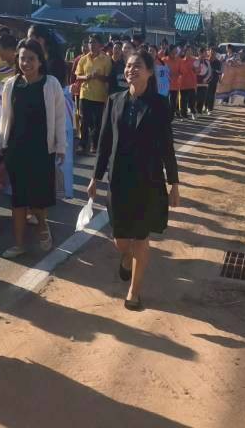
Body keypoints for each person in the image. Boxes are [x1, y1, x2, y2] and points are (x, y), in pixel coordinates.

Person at [88, 50, 180, 311]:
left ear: (150, 72)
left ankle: (134, 291)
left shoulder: (160, 104)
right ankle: (126, 256)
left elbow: (167, 146)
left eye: (137, 66)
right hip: (118, 179)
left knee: (141, 236)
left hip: (148, 180)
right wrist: (95, 177)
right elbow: (105, 142)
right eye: (128, 66)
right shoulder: (114, 100)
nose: (131, 70)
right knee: (121, 239)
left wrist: (174, 183)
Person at [0, 39, 67, 258]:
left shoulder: (51, 84)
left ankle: (43, 225)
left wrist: (61, 146)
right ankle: (19, 244)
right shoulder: (11, 84)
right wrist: (2, 144)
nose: (26, 63)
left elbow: (60, 117)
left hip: (42, 150)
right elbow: (5, 117)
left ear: (40, 61)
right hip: (16, 149)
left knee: (38, 198)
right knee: (18, 198)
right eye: (22, 58)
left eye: (31, 59)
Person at [75, 36, 112, 153]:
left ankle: (94, 144)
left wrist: (99, 76)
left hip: (100, 96)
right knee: (84, 121)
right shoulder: (83, 59)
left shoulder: (106, 59)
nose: (91, 45)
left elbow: (108, 78)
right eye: (90, 42)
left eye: (94, 42)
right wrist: (86, 77)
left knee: (97, 123)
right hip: (85, 94)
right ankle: (82, 144)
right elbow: (78, 76)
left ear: (100, 45)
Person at [178, 46, 197, 119]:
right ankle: (183, 114)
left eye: (190, 50)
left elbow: (199, 70)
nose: (189, 52)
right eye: (188, 50)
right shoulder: (181, 61)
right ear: (185, 52)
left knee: (192, 100)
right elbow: (178, 71)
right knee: (183, 100)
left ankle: (193, 113)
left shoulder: (195, 60)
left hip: (192, 83)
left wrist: (196, 69)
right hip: (183, 83)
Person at [206, 48, 222, 112]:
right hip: (206, 80)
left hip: (214, 79)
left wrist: (220, 80)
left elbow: (219, 72)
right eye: (211, 52)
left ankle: (210, 108)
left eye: (213, 52)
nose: (212, 53)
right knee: (207, 94)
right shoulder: (207, 60)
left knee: (211, 94)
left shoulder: (218, 62)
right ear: (209, 53)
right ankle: (206, 106)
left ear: (215, 53)